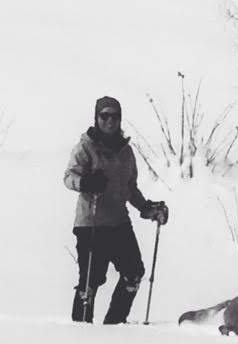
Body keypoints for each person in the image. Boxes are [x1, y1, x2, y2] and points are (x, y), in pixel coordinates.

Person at [64, 96, 168, 324]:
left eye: (115, 116)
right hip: (90, 222)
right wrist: (86, 183)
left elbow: (130, 188)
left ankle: (114, 325)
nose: (110, 121)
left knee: (134, 273)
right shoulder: (86, 146)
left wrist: (148, 209)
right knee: (90, 282)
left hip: (119, 222)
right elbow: (69, 177)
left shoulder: (125, 151)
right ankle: (80, 331)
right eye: (105, 116)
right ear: (97, 118)